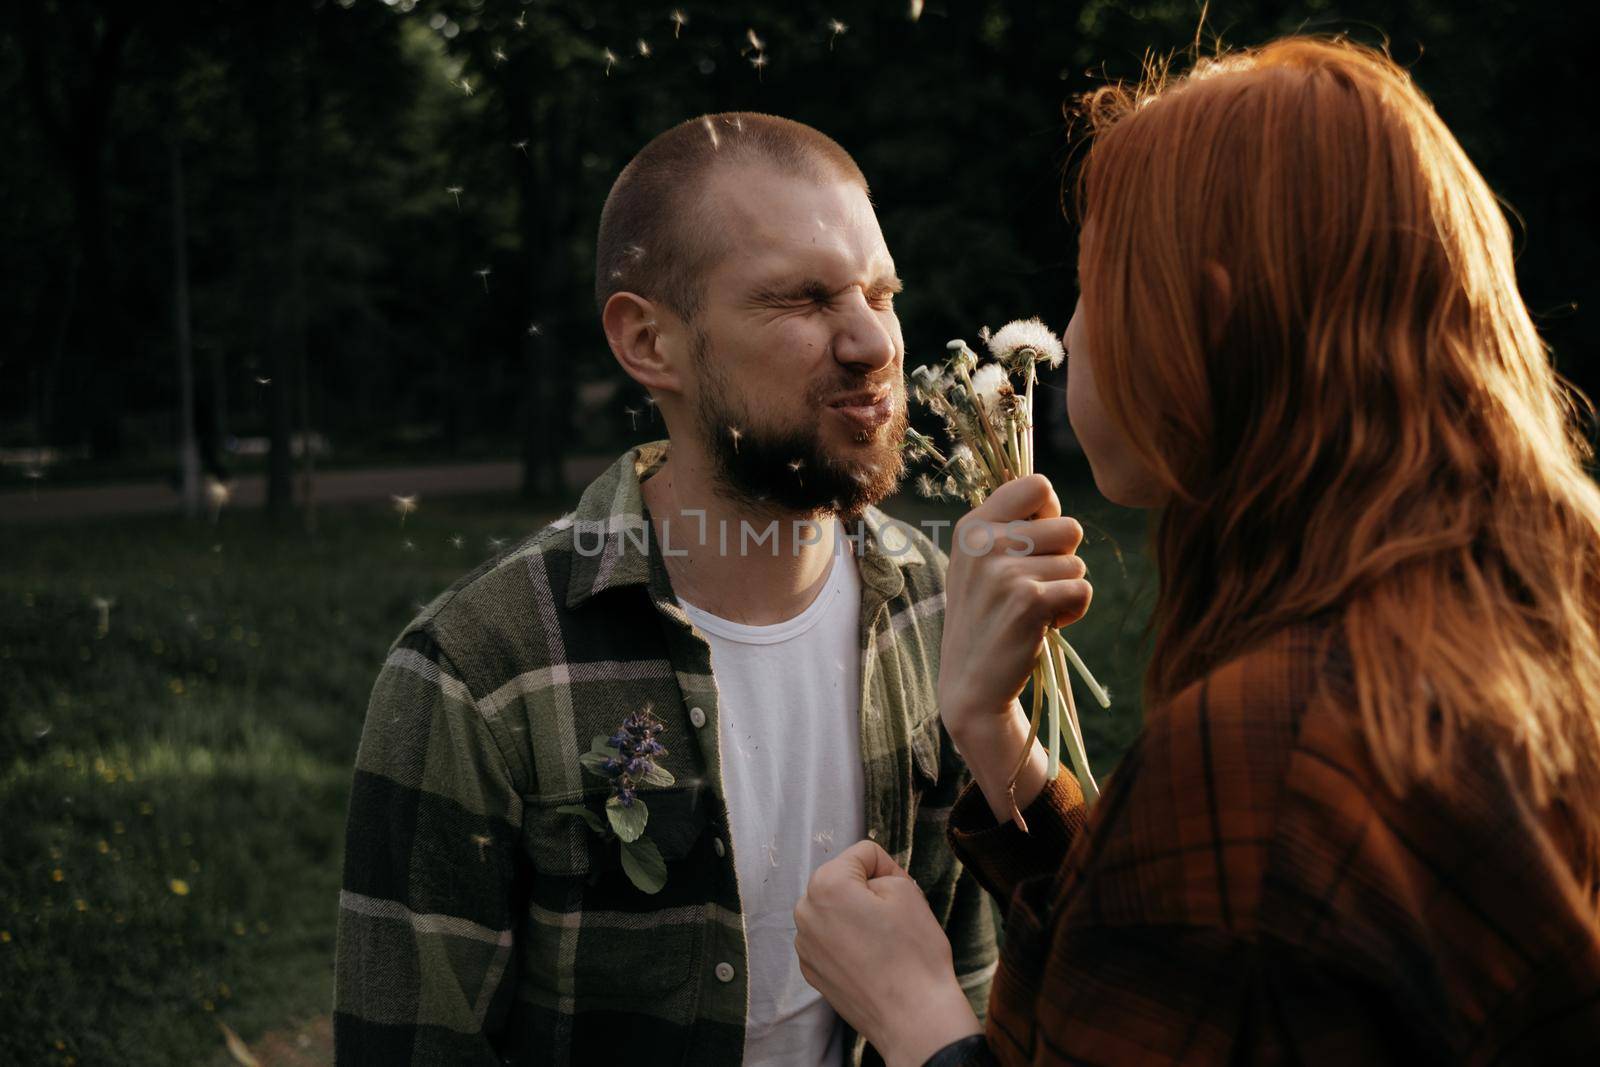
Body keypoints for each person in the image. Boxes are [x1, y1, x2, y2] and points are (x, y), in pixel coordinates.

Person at [794, 37, 1600, 1065]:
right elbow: (1226, 973)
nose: (1074, 338)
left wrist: (916, 1012)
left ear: (1208, 318)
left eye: (1092, 286)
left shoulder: (1275, 743)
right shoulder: (1517, 623)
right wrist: (996, 742)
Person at [333, 113, 999, 1065]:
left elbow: (978, 987)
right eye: (804, 300)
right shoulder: (476, 673)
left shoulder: (942, 608)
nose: (872, 342)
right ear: (650, 343)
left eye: (881, 293)